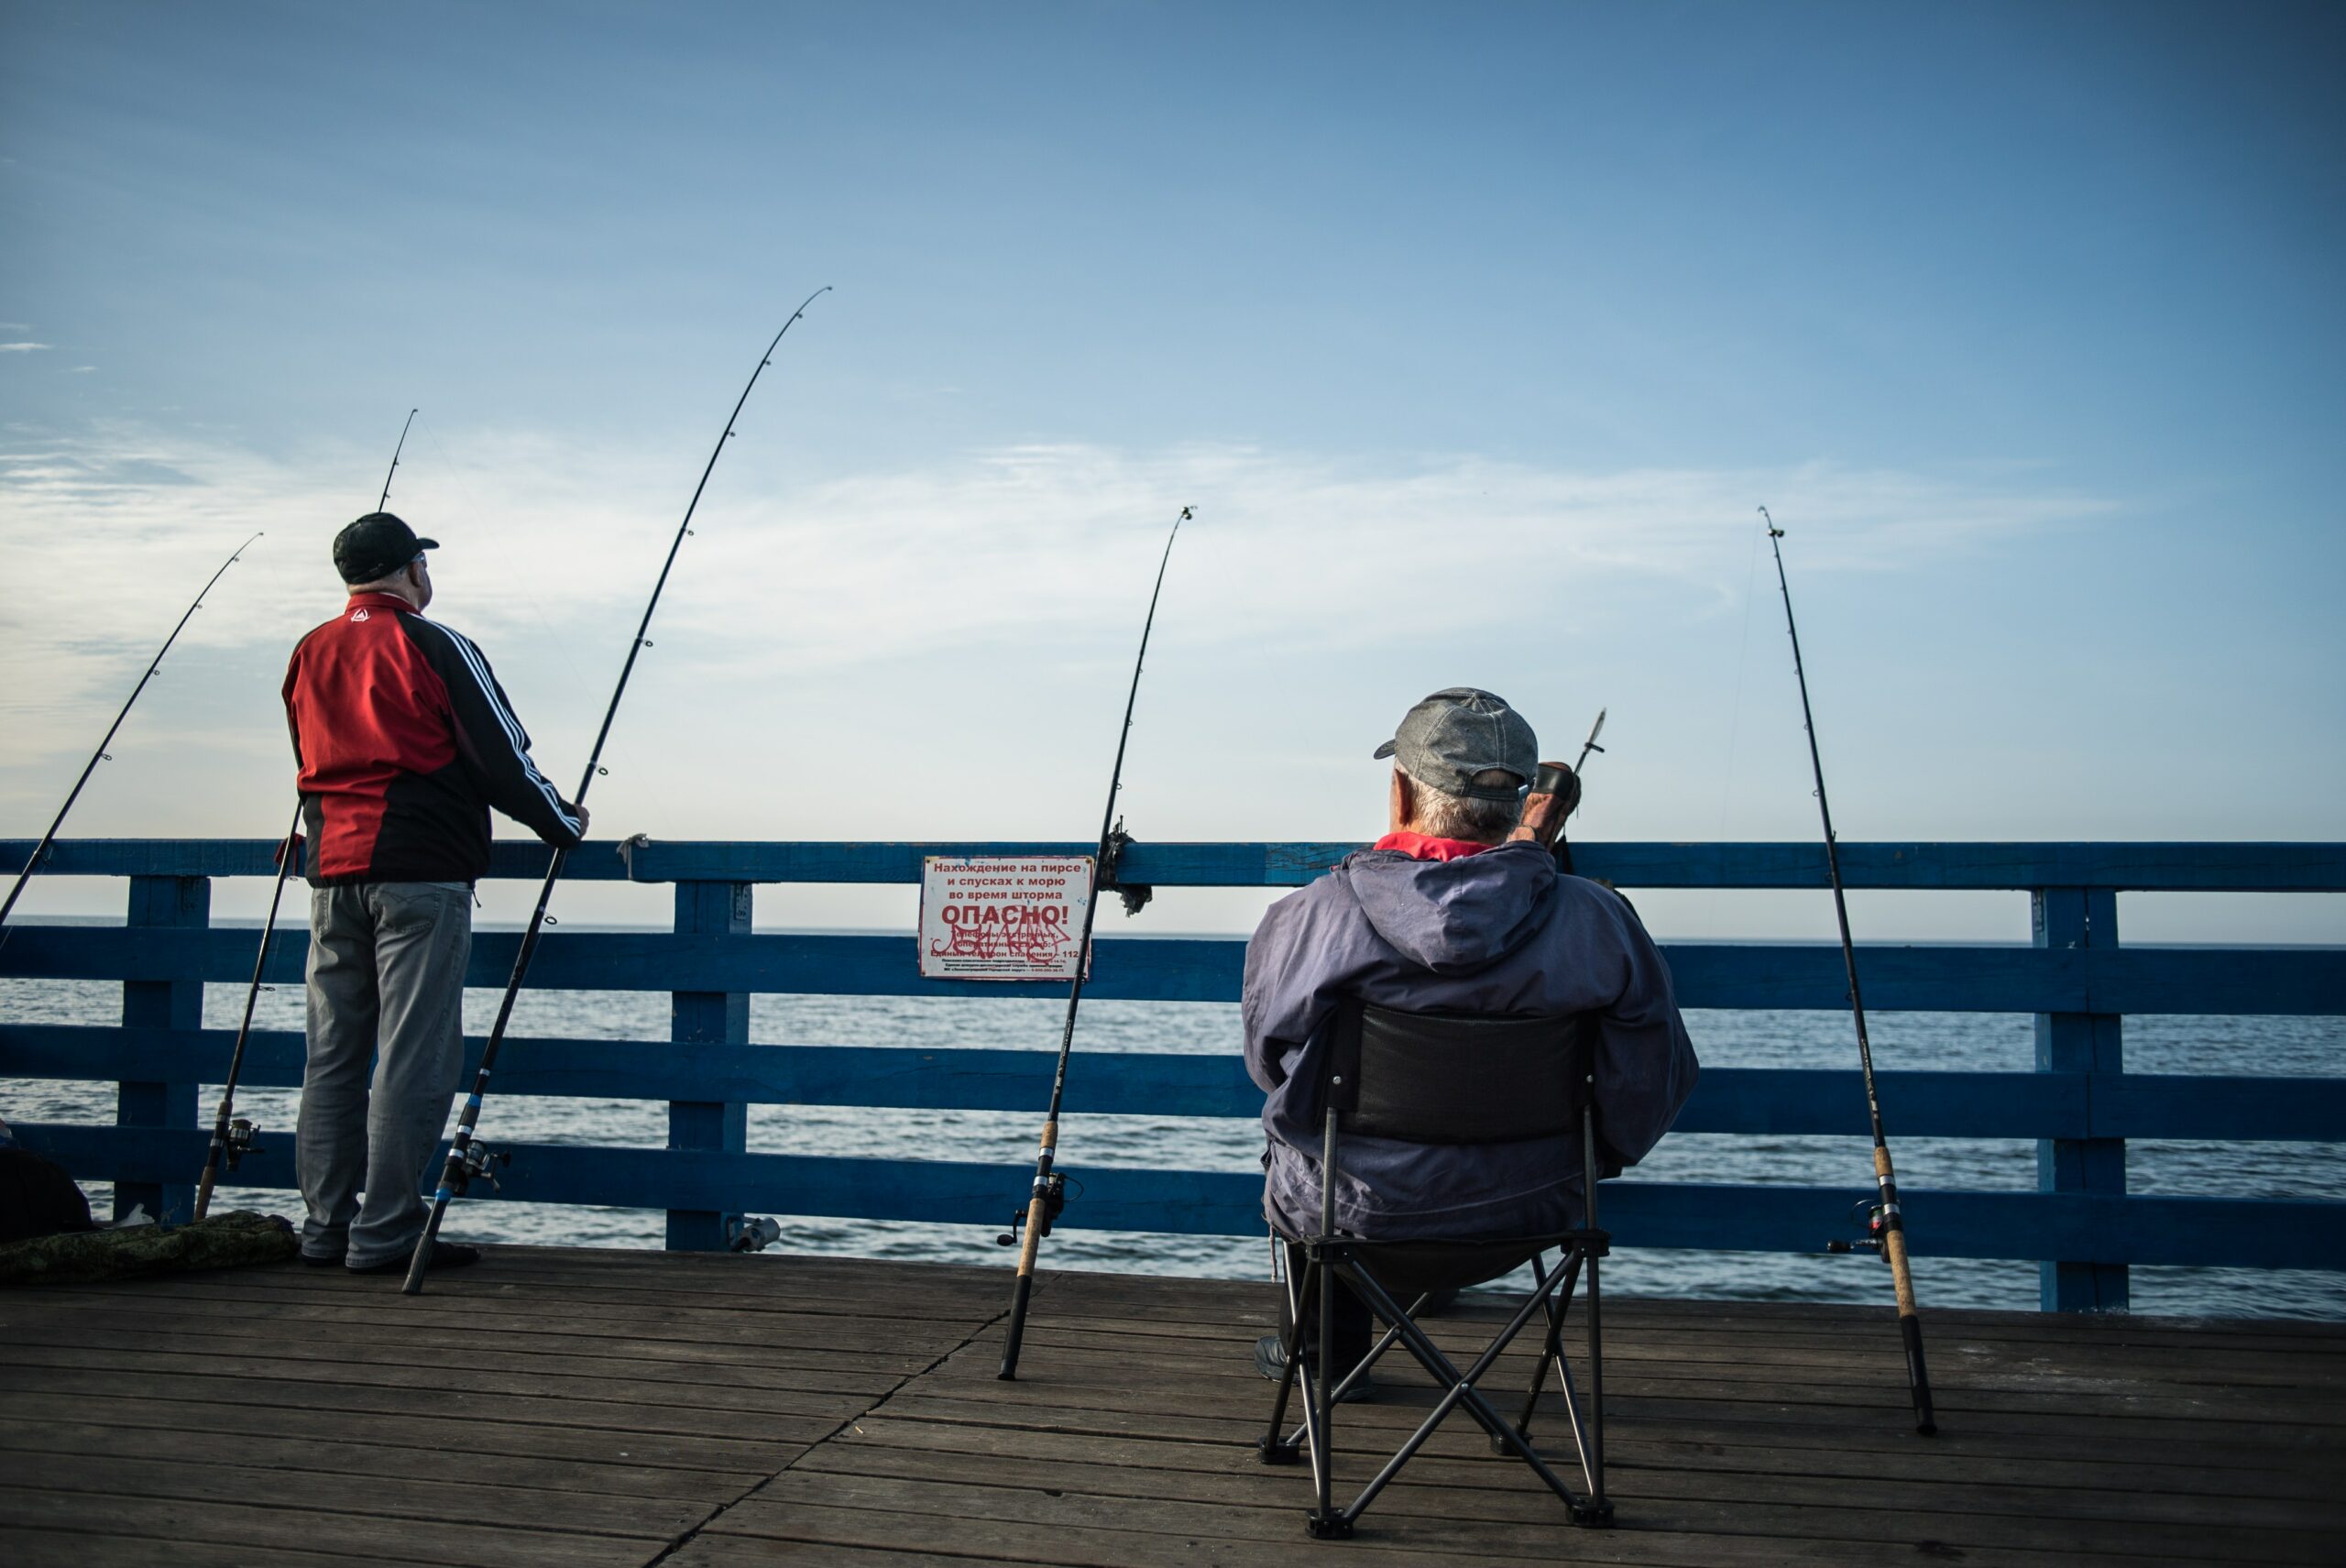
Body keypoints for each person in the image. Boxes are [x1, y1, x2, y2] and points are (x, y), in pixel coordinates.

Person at [1242, 686, 1697, 1388]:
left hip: (1356, 1209)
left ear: (1399, 792)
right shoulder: (1601, 921)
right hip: (1535, 1203)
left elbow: (1269, 1062)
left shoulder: (1309, 917)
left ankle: (1322, 1360)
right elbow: (1652, 1076)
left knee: (1304, 1138)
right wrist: (1589, 1156)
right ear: (1517, 803)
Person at [280, 512, 587, 1274]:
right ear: (413, 569)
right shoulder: (434, 642)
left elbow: (309, 758)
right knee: (414, 1055)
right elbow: (500, 759)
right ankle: (384, 1232)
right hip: (418, 873)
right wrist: (563, 825)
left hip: (330, 874)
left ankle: (324, 1229)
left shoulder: (309, 650)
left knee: (333, 1055)